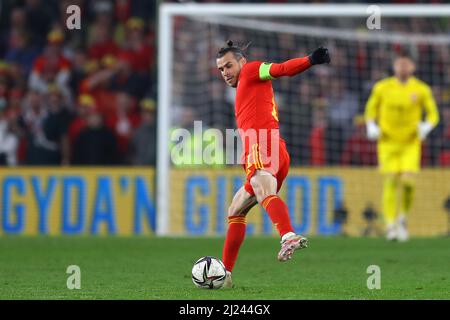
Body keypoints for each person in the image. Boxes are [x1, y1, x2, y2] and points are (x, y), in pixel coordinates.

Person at [216, 40, 330, 288]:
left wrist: (309, 60)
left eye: (228, 66)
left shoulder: (251, 69)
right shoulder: (246, 84)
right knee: (235, 211)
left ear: (241, 62)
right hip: (274, 149)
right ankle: (225, 274)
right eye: (221, 69)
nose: (225, 72)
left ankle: (288, 235)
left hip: (263, 145)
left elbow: (281, 69)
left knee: (264, 191)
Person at [364, 54, 439, 242]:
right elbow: (370, 111)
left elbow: (433, 114)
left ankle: (402, 219)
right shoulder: (382, 87)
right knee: (389, 182)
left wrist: (426, 127)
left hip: (410, 143)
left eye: (406, 64)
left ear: (413, 66)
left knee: (408, 183)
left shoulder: (421, 89)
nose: (403, 67)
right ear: (394, 66)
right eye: (400, 63)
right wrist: (371, 126)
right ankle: (390, 225)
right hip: (387, 143)